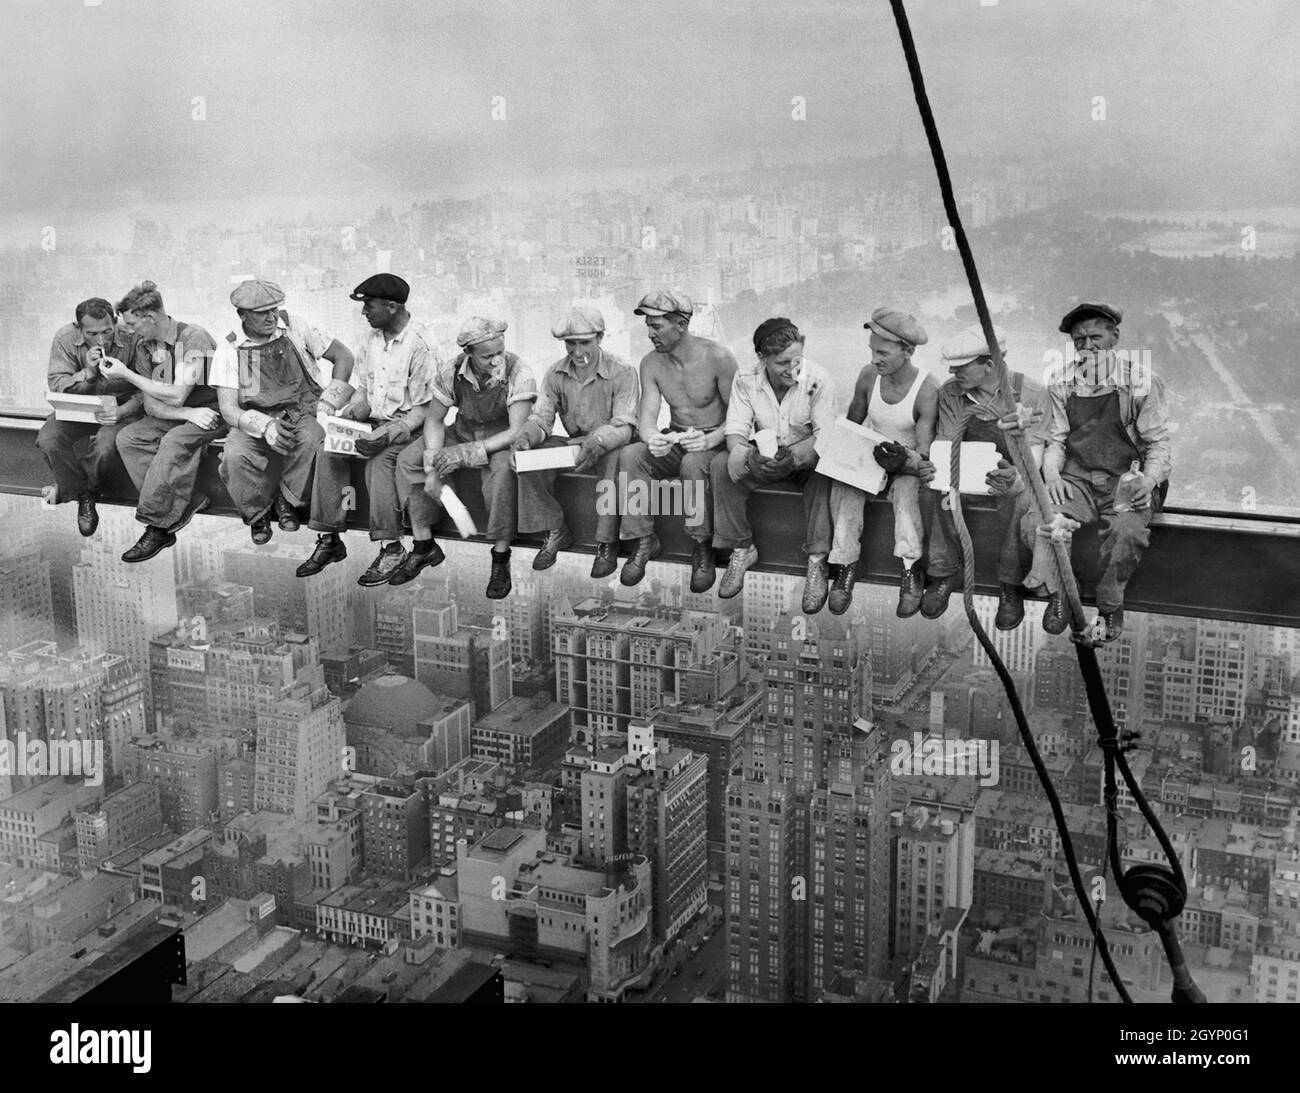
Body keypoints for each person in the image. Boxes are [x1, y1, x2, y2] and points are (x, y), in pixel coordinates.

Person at [1022, 302, 1172, 642]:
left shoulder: (1142, 382)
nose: (1088, 346)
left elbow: (1158, 444)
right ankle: (1062, 589)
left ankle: (1108, 607)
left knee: (1126, 534)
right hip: (1078, 478)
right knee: (1041, 521)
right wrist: (1053, 476)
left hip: (1127, 480)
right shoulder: (1061, 381)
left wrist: (1148, 480)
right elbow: (1056, 439)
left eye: (1095, 337)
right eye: (1079, 340)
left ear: (1114, 337)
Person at [297, 274, 440, 585]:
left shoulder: (421, 345)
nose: (364, 312)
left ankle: (391, 548)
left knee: (380, 462)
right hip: (374, 423)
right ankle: (329, 538)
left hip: (407, 429)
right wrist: (349, 417)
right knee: (328, 451)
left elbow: (424, 410)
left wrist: (388, 434)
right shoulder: (370, 340)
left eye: (369, 306)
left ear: (391, 306)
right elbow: (364, 390)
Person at [394, 316, 537, 597]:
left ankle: (500, 556)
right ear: (468, 354)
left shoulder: (520, 372)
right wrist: (433, 465)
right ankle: (424, 544)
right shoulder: (451, 370)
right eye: (487, 357)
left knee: (503, 474)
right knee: (408, 460)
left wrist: (464, 454)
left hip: (500, 439)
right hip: (463, 430)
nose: (496, 361)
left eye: (500, 352)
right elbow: (434, 421)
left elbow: (516, 430)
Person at [917, 324, 1047, 629]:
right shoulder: (951, 393)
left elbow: (1035, 455)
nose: (952, 371)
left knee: (1019, 497)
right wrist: (939, 469)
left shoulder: (1030, 393)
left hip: (1012, 471)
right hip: (965, 467)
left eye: (961, 367)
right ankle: (943, 571)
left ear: (990, 364)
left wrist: (1015, 476)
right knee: (934, 490)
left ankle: (1009, 584)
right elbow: (947, 441)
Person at [210, 279, 355, 545]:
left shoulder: (295, 327)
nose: (272, 316)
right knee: (234, 455)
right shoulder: (229, 348)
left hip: (301, 412)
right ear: (242, 315)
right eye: (261, 312)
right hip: (254, 418)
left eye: (274, 309)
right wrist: (264, 426)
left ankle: (287, 500)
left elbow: (344, 356)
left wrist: (330, 400)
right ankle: (258, 514)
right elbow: (229, 409)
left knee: (312, 442)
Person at [617, 289, 738, 590]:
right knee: (631, 456)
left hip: (715, 440)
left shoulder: (719, 358)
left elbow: (739, 417)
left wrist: (711, 441)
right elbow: (647, 418)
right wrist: (653, 438)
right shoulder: (651, 364)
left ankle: (701, 546)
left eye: (656, 326)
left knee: (694, 464)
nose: (649, 333)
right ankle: (644, 539)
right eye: (647, 325)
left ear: (681, 324)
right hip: (677, 436)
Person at [711, 318, 836, 605]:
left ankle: (817, 559)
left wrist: (793, 458)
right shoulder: (745, 380)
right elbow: (735, 432)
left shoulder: (818, 379)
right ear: (761, 358)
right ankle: (742, 548)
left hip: (806, 457)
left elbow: (825, 436)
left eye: (797, 360)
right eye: (782, 363)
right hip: (765, 455)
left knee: (824, 474)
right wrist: (750, 456)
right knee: (721, 466)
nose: (792, 370)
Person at [825, 307, 939, 616]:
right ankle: (847, 562)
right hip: (873, 453)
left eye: (883, 353)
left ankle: (911, 567)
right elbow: (853, 426)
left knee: (905, 496)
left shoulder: (927, 390)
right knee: (845, 486)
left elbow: (925, 450)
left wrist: (905, 460)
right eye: (873, 351)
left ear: (908, 351)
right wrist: (847, 458)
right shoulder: (868, 375)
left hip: (906, 463)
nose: (875, 359)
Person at [512, 305, 638, 577]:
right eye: (571, 344)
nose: (578, 352)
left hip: (610, 442)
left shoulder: (622, 371)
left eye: (585, 343)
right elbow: (542, 418)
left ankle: (606, 542)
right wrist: (525, 437)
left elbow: (624, 425)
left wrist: (596, 442)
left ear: (600, 338)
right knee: (528, 460)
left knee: (615, 460)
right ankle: (555, 528)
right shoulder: (556, 373)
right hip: (575, 444)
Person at [105, 281, 223, 562]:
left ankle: (157, 526)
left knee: (173, 442)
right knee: (129, 438)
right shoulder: (146, 346)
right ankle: (185, 501)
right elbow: (151, 403)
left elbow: (176, 393)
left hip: (213, 412)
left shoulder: (193, 338)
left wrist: (127, 375)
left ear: (151, 317)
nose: (130, 331)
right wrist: (186, 414)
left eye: (133, 324)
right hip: (185, 414)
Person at [37, 297, 146, 536]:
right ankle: (83, 494)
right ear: (79, 328)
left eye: (107, 331)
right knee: (49, 439)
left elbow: (144, 389)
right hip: (76, 406)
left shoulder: (133, 337)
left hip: (118, 408)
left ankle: (74, 488)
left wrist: (122, 411)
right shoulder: (65, 338)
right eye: (92, 333)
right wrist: (87, 373)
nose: (101, 339)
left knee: (106, 447)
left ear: (115, 322)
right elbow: (57, 385)